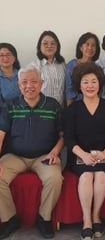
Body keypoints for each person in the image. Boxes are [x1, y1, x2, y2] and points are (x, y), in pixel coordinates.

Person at [0, 66, 63, 239]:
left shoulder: (53, 105)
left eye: (34, 81)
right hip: (15, 156)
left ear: (42, 83)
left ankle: (44, 218)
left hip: (44, 156)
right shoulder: (11, 105)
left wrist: (55, 152)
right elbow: (1, 134)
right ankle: (10, 218)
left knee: (55, 178)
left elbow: (63, 135)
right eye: (24, 82)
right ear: (19, 85)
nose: (29, 86)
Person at [64, 63, 105, 240]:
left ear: (100, 84)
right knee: (87, 176)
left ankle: (96, 216)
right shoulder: (72, 109)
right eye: (86, 82)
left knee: (102, 176)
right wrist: (84, 155)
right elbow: (69, 139)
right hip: (80, 156)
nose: (90, 85)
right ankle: (87, 220)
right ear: (79, 85)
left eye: (94, 81)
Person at [30, 30, 66, 107]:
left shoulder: (62, 64)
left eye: (53, 43)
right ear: (40, 46)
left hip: (60, 108)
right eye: (45, 43)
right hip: (42, 110)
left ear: (57, 46)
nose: (49, 46)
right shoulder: (34, 66)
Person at [65, 32, 100, 106]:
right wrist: (69, 109)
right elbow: (69, 90)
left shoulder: (98, 67)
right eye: (87, 44)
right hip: (76, 105)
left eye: (93, 45)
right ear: (81, 47)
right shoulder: (71, 65)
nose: (90, 48)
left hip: (94, 105)